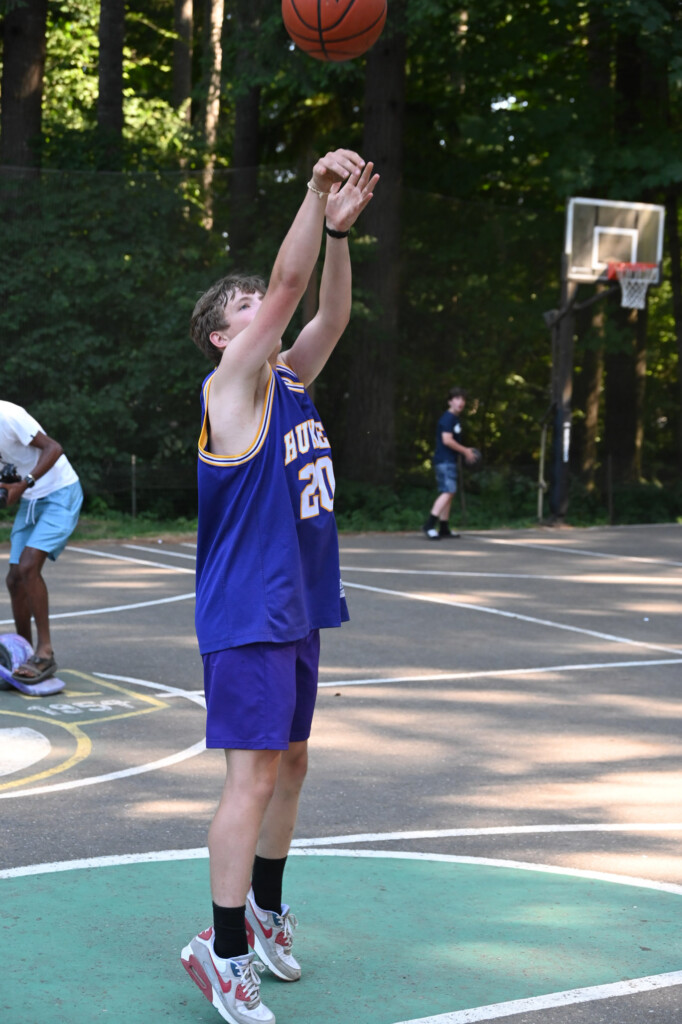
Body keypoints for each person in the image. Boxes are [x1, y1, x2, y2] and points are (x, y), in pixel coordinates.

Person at [180, 148, 379, 1024]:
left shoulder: (290, 380)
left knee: (290, 765)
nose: (265, 306)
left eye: (260, 300)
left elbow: (329, 311)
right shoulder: (230, 387)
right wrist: (309, 194)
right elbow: (293, 288)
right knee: (250, 780)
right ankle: (220, 952)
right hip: (247, 612)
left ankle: (263, 908)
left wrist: (339, 234)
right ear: (226, 336)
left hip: (294, 607)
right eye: (248, 306)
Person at [0, 401, 83, 682]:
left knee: (27, 568)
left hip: (61, 492)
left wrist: (22, 484)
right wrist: (10, 486)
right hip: (32, 499)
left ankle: (45, 652)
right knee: (14, 579)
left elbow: (54, 448)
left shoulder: (8, 416)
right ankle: (24, 649)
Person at [422, 386, 478, 540]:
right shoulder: (447, 418)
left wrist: (466, 450)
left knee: (449, 493)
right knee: (448, 491)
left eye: (463, 399)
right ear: (450, 401)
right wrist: (465, 451)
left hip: (449, 460)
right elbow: (447, 440)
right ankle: (429, 524)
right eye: (457, 399)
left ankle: (444, 527)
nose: (461, 402)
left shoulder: (454, 419)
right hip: (444, 461)